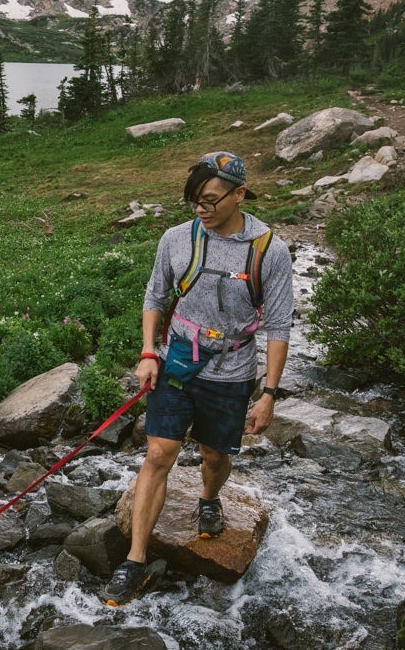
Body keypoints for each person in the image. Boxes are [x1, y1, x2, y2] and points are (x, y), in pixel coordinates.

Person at [102, 151, 294, 606]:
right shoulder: (176, 239)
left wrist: (268, 394)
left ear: (240, 194)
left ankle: (209, 497)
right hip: (177, 363)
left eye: (209, 200)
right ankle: (135, 560)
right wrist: (149, 352)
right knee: (158, 453)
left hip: (232, 373)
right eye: (194, 201)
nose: (201, 210)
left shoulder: (269, 250)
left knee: (213, 455)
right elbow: (155, 296)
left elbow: (280, 326)